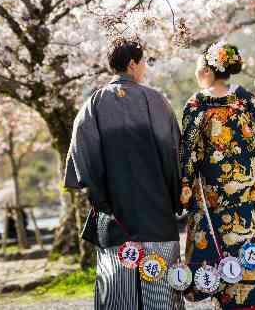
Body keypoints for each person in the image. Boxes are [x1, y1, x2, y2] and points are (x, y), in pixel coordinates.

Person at [64, 38, 184, 310]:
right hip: (156, 217)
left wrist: (101, 199)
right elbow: (174, 156)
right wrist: (175, 200)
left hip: (115, 222)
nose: (144, 67)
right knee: (161, 297)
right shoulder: (156, 102)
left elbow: (81, 162)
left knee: (119, 299)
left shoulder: (91, 106)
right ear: (132, 64)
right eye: (143, 62)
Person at [180, 42, 255, 309]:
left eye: (199, 66)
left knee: (226, 266)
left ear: (208, 69)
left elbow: (188, 156)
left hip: (216, 208)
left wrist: (184, 190)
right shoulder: (247, 101)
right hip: (252, 202)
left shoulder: (196, 106)